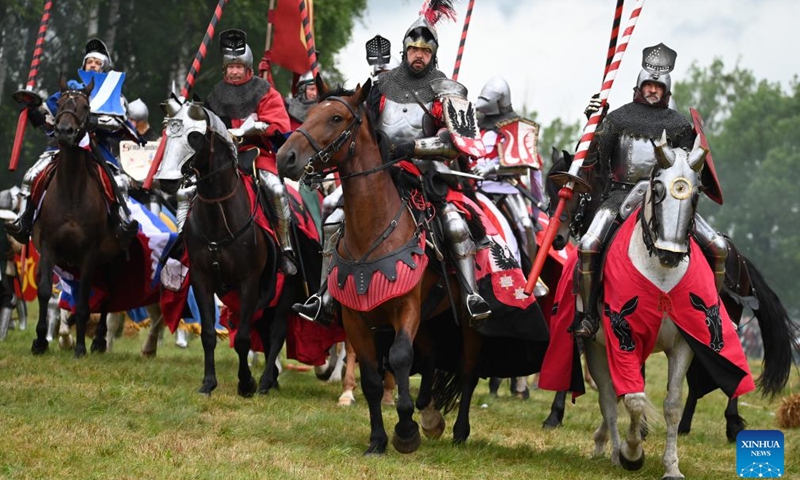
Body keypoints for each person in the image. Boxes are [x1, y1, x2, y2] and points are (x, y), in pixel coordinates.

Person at [294, 3, 492, 323]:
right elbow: (361, 128)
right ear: (404, 50)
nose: (418, 55)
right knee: (333, 219)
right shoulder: (383, 89)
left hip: (427, 176)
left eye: (425, 51)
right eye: (413, 49)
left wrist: (413, 146)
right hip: (383, 172)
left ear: (434, 54)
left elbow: (454, 141)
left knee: (455, 224)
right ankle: (324, 296)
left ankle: (470, 293)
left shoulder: (445, 90)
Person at [570, 43, 727, 338]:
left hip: (668, 202)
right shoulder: (616, 118)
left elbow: (692, 169)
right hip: (619, 197)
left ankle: (712, 314)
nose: (653, 90)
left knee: (718, 247)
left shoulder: (679, 125)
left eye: (658, 86)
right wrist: (593, 124)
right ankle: (589, 316)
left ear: (666, 90)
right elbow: (594, 163)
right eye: (648, 85)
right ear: (639, 87)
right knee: (589, 246)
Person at [5, 38, 140, 244]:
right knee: (31, 176)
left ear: (104, 67)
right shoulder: (69, 90)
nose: (93, 65)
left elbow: (119, 123)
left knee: (119, 182)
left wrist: (93, 121)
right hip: (65, 146)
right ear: (84, 65)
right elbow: (50, 121)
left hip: (96, 149)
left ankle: (121, 223)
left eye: (97, 62)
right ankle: (24, 220)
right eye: (90, 62)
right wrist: (33, 110)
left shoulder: (114, 94)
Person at [205, 29, 296, 275]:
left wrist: (255, 128)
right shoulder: (215, 94)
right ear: (225, 69)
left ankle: (285, 248)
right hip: (221, 159)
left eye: (239, 66)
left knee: (276, 190)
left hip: (255, 154)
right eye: (231, 67)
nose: (235, 71)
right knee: (190, 190)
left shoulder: (264, 91)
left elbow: (279, 125)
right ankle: (185, 245)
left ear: (248, 68)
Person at [471, 75, 547, 296]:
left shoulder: (518, 128)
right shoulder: (476, 129)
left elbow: (532, 172)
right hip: (476, 190)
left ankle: (532, 276)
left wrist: (535, 211)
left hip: (506, 189)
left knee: (524, 225)